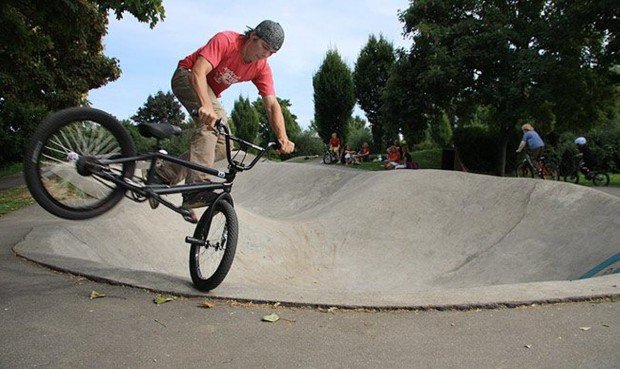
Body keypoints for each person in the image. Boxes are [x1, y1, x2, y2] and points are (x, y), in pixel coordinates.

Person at [155, 20, 295, 215]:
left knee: (222, 146)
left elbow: (271, 104)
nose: (265, 55)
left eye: (271, 53)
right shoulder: (227, 41)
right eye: (264, 47)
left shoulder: (261, 67)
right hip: (186, 75)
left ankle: (162, 173)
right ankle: (196, 188)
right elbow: (199, 70)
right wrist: (205, 104)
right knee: (213, 122)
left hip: (207, 90)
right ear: (253, 36)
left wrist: (283, 137)